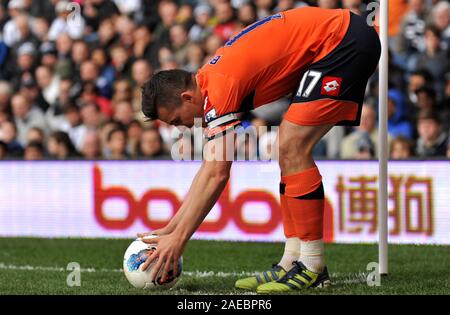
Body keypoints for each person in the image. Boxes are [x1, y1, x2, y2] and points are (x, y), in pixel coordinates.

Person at [139, 6, 380, 293]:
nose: (182, 127)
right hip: (337, 37)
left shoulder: (219, 88)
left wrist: (180, 241)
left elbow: (218, 174)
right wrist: (172, 228)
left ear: (186, 97)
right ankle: (293, 260)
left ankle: (313, 265)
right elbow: (208, 168)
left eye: (177, 120)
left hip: (342, 40)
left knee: (292, 145)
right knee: (286, 148)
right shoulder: (211, 82)